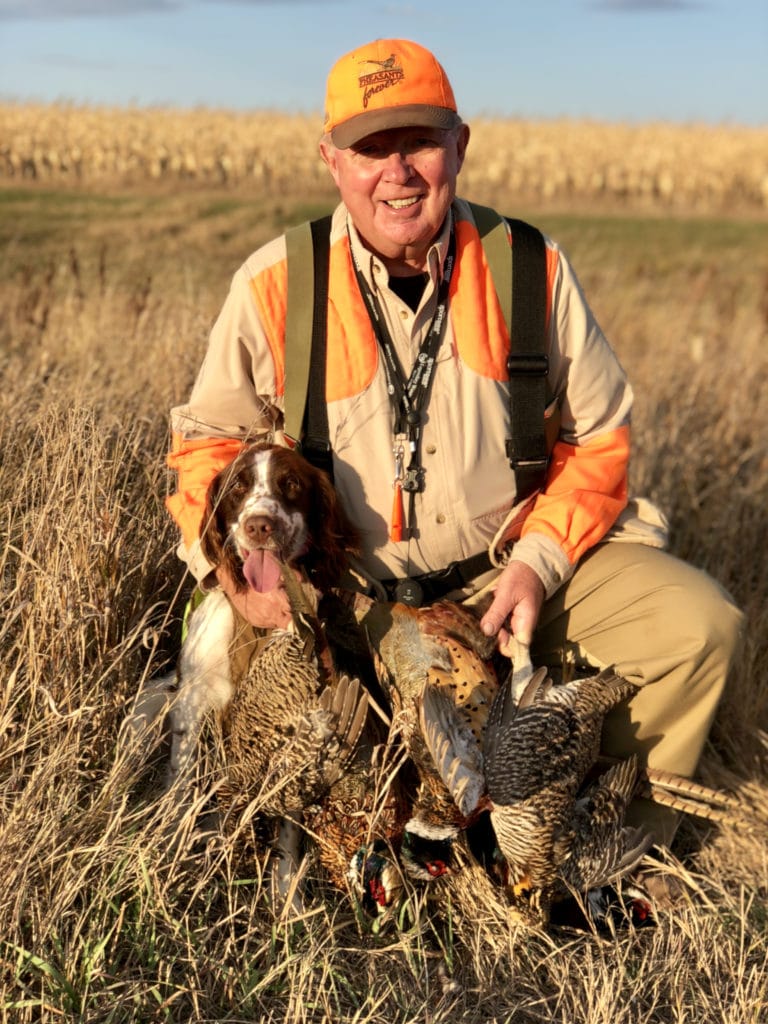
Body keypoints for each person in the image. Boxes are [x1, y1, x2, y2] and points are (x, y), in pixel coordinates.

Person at [166, 38, 742, 856]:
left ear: (460, 146)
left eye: (420, 142)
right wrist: (233, 573)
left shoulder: (527, 267)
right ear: (331, 161)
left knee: (698, 626)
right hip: (347, 593)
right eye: (371, 149)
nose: (397, 172)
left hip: (503, 578)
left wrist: (538, 563)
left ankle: (601, 855)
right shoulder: (275, 283)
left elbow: (601, 439)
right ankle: (301, 841)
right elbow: (206, 451)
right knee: (246, 697)